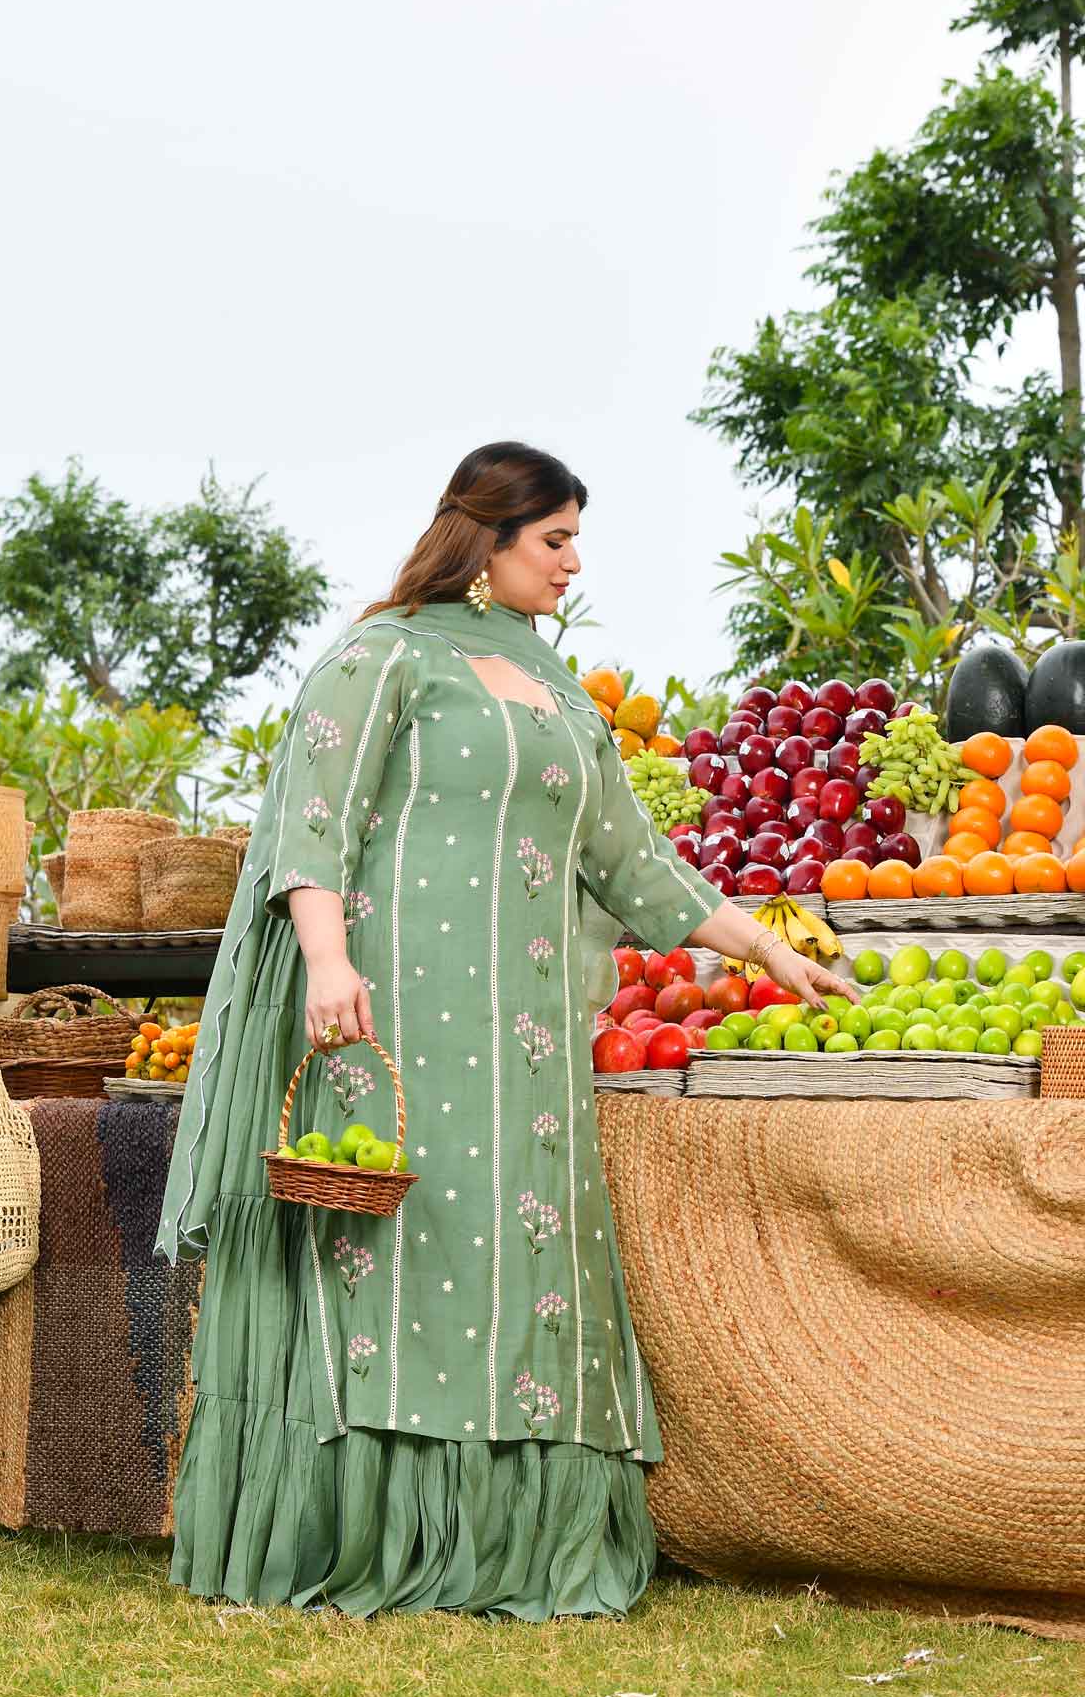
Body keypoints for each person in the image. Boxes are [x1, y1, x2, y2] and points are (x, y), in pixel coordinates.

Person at [155, 442, 857, 1619]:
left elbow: (631, 860)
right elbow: (310, 827)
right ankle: (366, 1526)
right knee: (396, 1257)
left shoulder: (557, 687)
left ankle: (519, 1539)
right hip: (394, 1009)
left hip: (526, 1039)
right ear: (484, 541)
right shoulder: (380, 657)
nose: (573, 563)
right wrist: (324, 960)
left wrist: (768, 946)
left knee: (520, 1257)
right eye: (554, 539)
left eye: (576, 539)